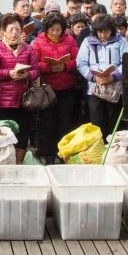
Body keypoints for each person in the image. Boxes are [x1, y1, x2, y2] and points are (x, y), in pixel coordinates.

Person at [0, 13, 41, 159]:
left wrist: (26, 75)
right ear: (4, 30)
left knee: (23, 131)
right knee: (6, 132)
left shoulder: (28, 49)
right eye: (11, 29)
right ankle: (5, 159)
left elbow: (36, 71)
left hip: (24, 98)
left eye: (17, 29)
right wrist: (9, 73)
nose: (14, 32)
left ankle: (19, 161)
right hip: (5, 98)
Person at [32, 13, 81, 161]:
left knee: (64, 122)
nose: (55, 33)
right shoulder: (37, 42)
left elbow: (78, 60)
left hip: (67, 87)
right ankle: (48, 154)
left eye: (58, 30)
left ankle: (63, 153)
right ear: (46, 29)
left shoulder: (70, 40)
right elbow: (34, 63)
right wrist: (48, 67)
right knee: (47, 122)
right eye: (52, 30)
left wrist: (65, 65)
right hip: (47, 88)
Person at [76, 14, 128, 139]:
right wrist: (94, 77)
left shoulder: (121, 41)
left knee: (114, 123)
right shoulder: (87, 42)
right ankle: (100, 154)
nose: (102, 35)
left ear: (112, 29)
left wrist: (113, 76)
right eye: (99, 32)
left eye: (106, 32)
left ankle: (112, 153)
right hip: (94, 89)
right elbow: (81, 63)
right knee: (97, 124)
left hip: (115, 90)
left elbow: (127, 62)